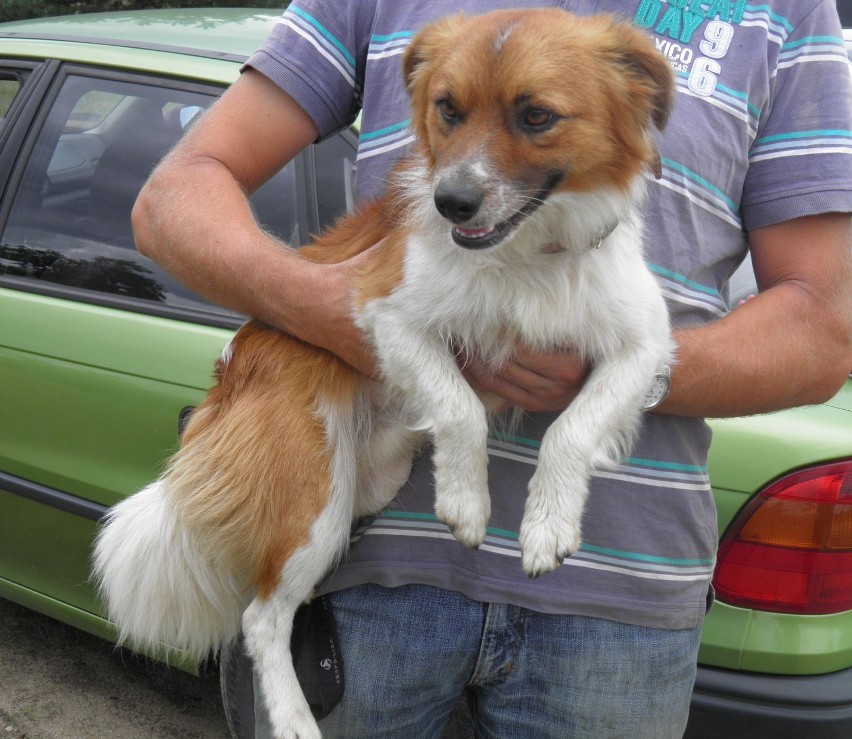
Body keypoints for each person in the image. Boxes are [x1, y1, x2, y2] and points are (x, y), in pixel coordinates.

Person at [132, 1, 852, 736]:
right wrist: (329, 307)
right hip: (367, 573)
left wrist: (613, 373)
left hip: (621, 599)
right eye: (450, 113)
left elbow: (826, 327)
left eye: (534, 117)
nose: (467, 170)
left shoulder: (784, 14)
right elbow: (173, 195)